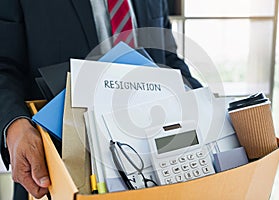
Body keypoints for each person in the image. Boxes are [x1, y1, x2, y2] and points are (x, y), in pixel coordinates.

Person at [0, 0, 201, 199]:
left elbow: (167, 59)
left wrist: (206, 104)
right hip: (59, 173)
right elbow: (3, 67)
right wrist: (13, 123)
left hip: (156, 171)